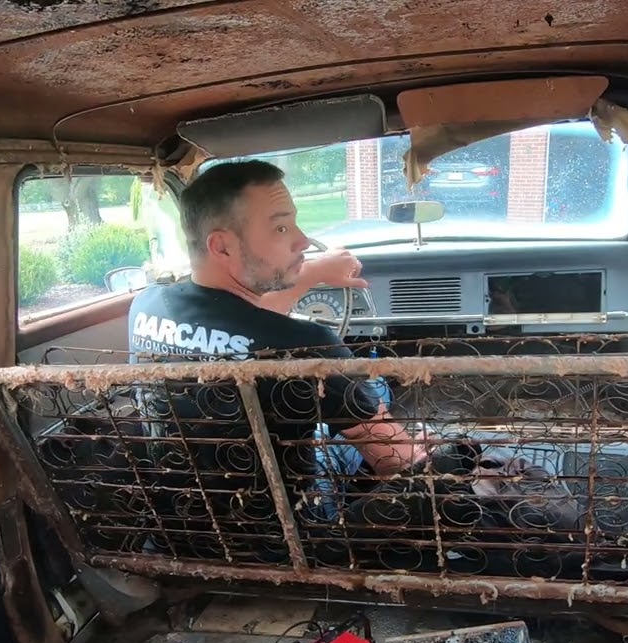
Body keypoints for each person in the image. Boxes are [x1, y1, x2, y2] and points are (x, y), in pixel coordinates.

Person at [126, 160, 431, 516]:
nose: (302, 239)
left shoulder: (146, 306)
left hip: (181, 526)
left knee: (347, 401)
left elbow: (244, 321)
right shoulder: (308, 344)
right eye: (282, 228)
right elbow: (393, 461)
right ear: (222, 246)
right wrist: (421, 447)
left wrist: (311, 273)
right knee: (375, 389)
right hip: (284, 538)